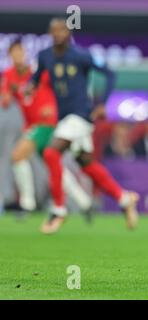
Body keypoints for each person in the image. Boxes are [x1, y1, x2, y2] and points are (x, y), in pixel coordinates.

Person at [30, 18, 139, 234]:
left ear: (69, 32)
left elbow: (110, 73)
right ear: (50, 33)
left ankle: (59, 210)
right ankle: (123, 198)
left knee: (51, 153)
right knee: (86, 163)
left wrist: (102, 104)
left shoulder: (82, 56)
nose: (59, 34)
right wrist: (28, 88)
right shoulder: (45, 56)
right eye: (54, 31)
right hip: (64, 118)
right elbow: (36, 78)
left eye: (63, 30)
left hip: (81, 115)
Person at [1, 40, 92, 214]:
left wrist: (55, 105)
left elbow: (61, 87)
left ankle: (27, 204)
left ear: (25, 53)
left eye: (20, 52)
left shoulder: (38, 72)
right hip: (32, 126)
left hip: (46, 123)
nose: (18, 56)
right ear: (10, 55)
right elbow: (6, 100)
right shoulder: (8, 75)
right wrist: (7, 95)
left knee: (18, 156)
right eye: (14, 53)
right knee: (54, 166)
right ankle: (84, 201)